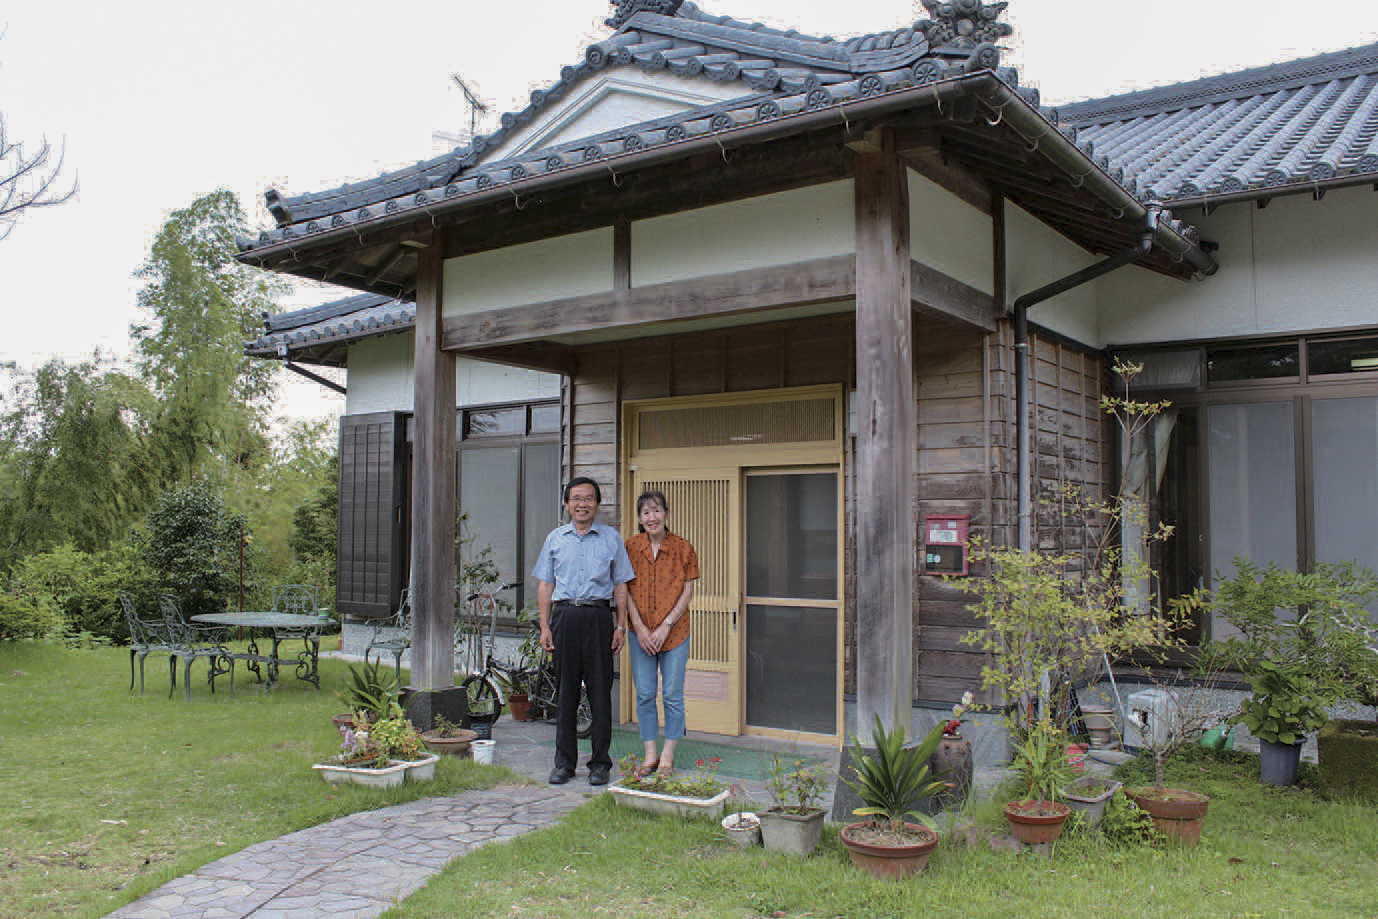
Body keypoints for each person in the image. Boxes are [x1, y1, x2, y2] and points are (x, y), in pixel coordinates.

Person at [531, 476, 633, 785]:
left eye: (588, 499)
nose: (582, 504)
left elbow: (621, 585)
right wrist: (545, 626)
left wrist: (620, 626)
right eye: (576, 499)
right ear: (567, 504)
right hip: (565, 617)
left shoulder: (611, 538)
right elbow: (546, 584)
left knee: (600, 693)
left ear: (598, 504)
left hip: (598, 617)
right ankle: (564, 764)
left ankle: (600, 763)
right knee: (566, 693)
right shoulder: (556, 538)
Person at [624, 489, 699, 778]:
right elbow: (625, 590)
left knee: (671, 694)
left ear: (666, 514)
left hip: (675, 632)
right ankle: (650, 755)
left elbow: (688, 590)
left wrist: (665, 624)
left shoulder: (683, 547)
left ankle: (667, 756)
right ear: (640, 519)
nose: (651, 517)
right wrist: (641, 629)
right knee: (644, 694)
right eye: (645, 513)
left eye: (656, 511)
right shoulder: (630, 547)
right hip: (639, 633)